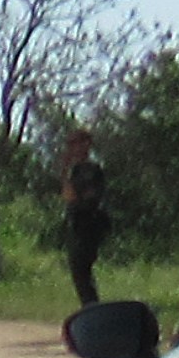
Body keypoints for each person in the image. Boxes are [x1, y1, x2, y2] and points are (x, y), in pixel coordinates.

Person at [61, 130, 112, 308]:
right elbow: (67, 196)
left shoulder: (92, 169)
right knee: (79, 271)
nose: (72, 148)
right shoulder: (75, 170)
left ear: (87, 144)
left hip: (90, 223)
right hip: (77, 224)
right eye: (70, 144)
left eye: (76, 143)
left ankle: (92, 308)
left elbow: (79, 198)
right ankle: (90, 307)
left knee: (82, 269)